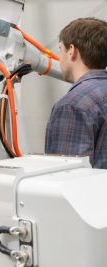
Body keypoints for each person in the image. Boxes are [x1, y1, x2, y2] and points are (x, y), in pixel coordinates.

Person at [45, 17, 107, 168]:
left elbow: (66, 177)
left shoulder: (72, 105)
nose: (59, 59)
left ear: (71, 51)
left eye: (60, 50)